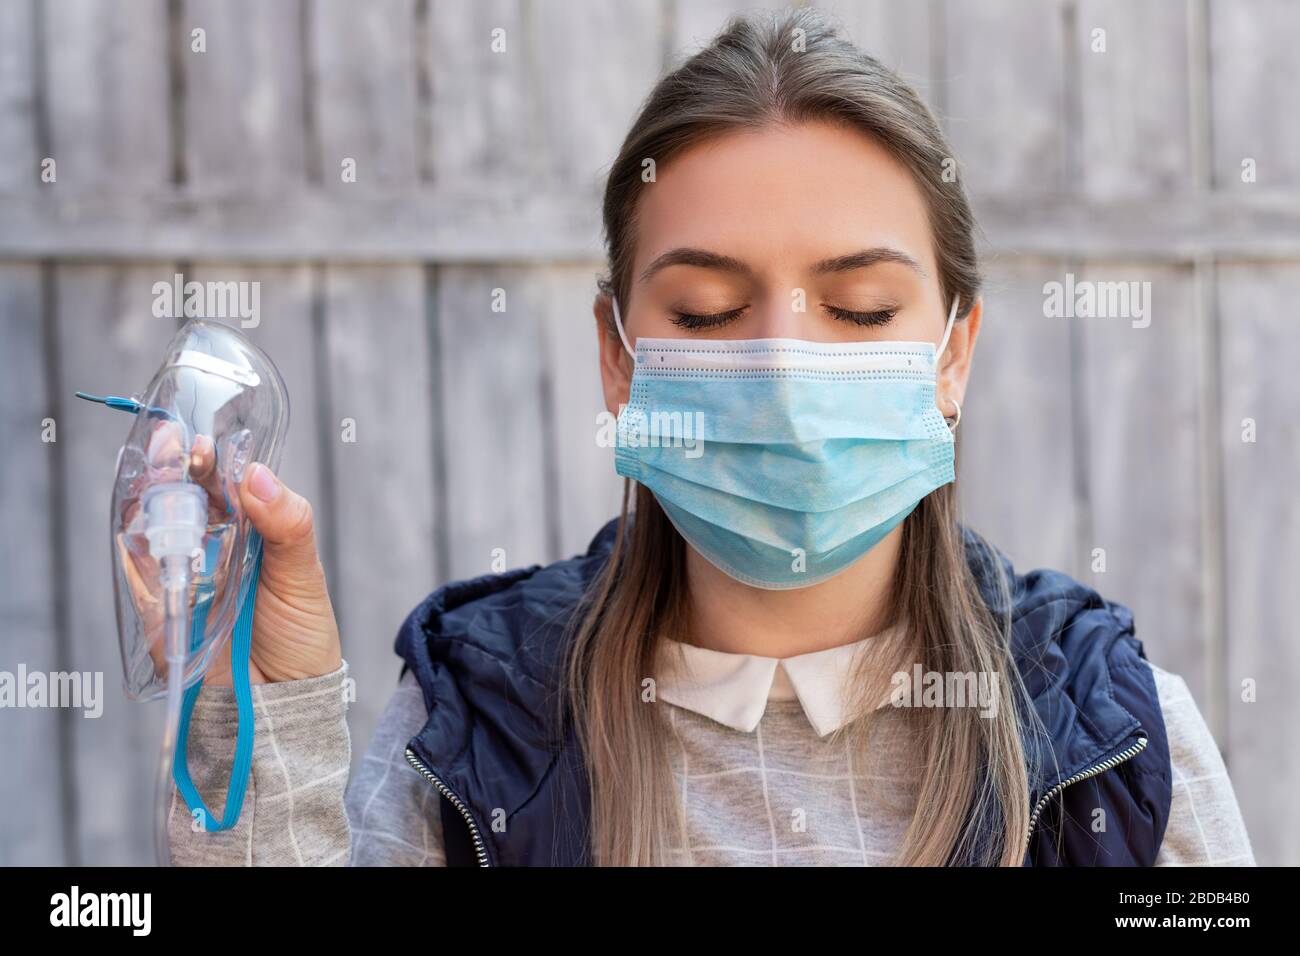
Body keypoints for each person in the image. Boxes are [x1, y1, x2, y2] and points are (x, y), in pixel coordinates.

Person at [169, 8, 1253, 867]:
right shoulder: (472, 720)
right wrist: (263, 726)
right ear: (616, 350)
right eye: (703, 313)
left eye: (862, 309)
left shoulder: (1114, 736)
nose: (783, 366)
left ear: (954, 354)